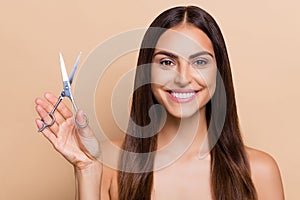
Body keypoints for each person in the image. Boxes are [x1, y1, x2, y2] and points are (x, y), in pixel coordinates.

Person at [35, 5, 284, 200]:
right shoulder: (107, 161)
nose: (183, 78)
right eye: (167, 62)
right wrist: (87, 169)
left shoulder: (260, 171)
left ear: (219, 73)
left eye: (199, 62)